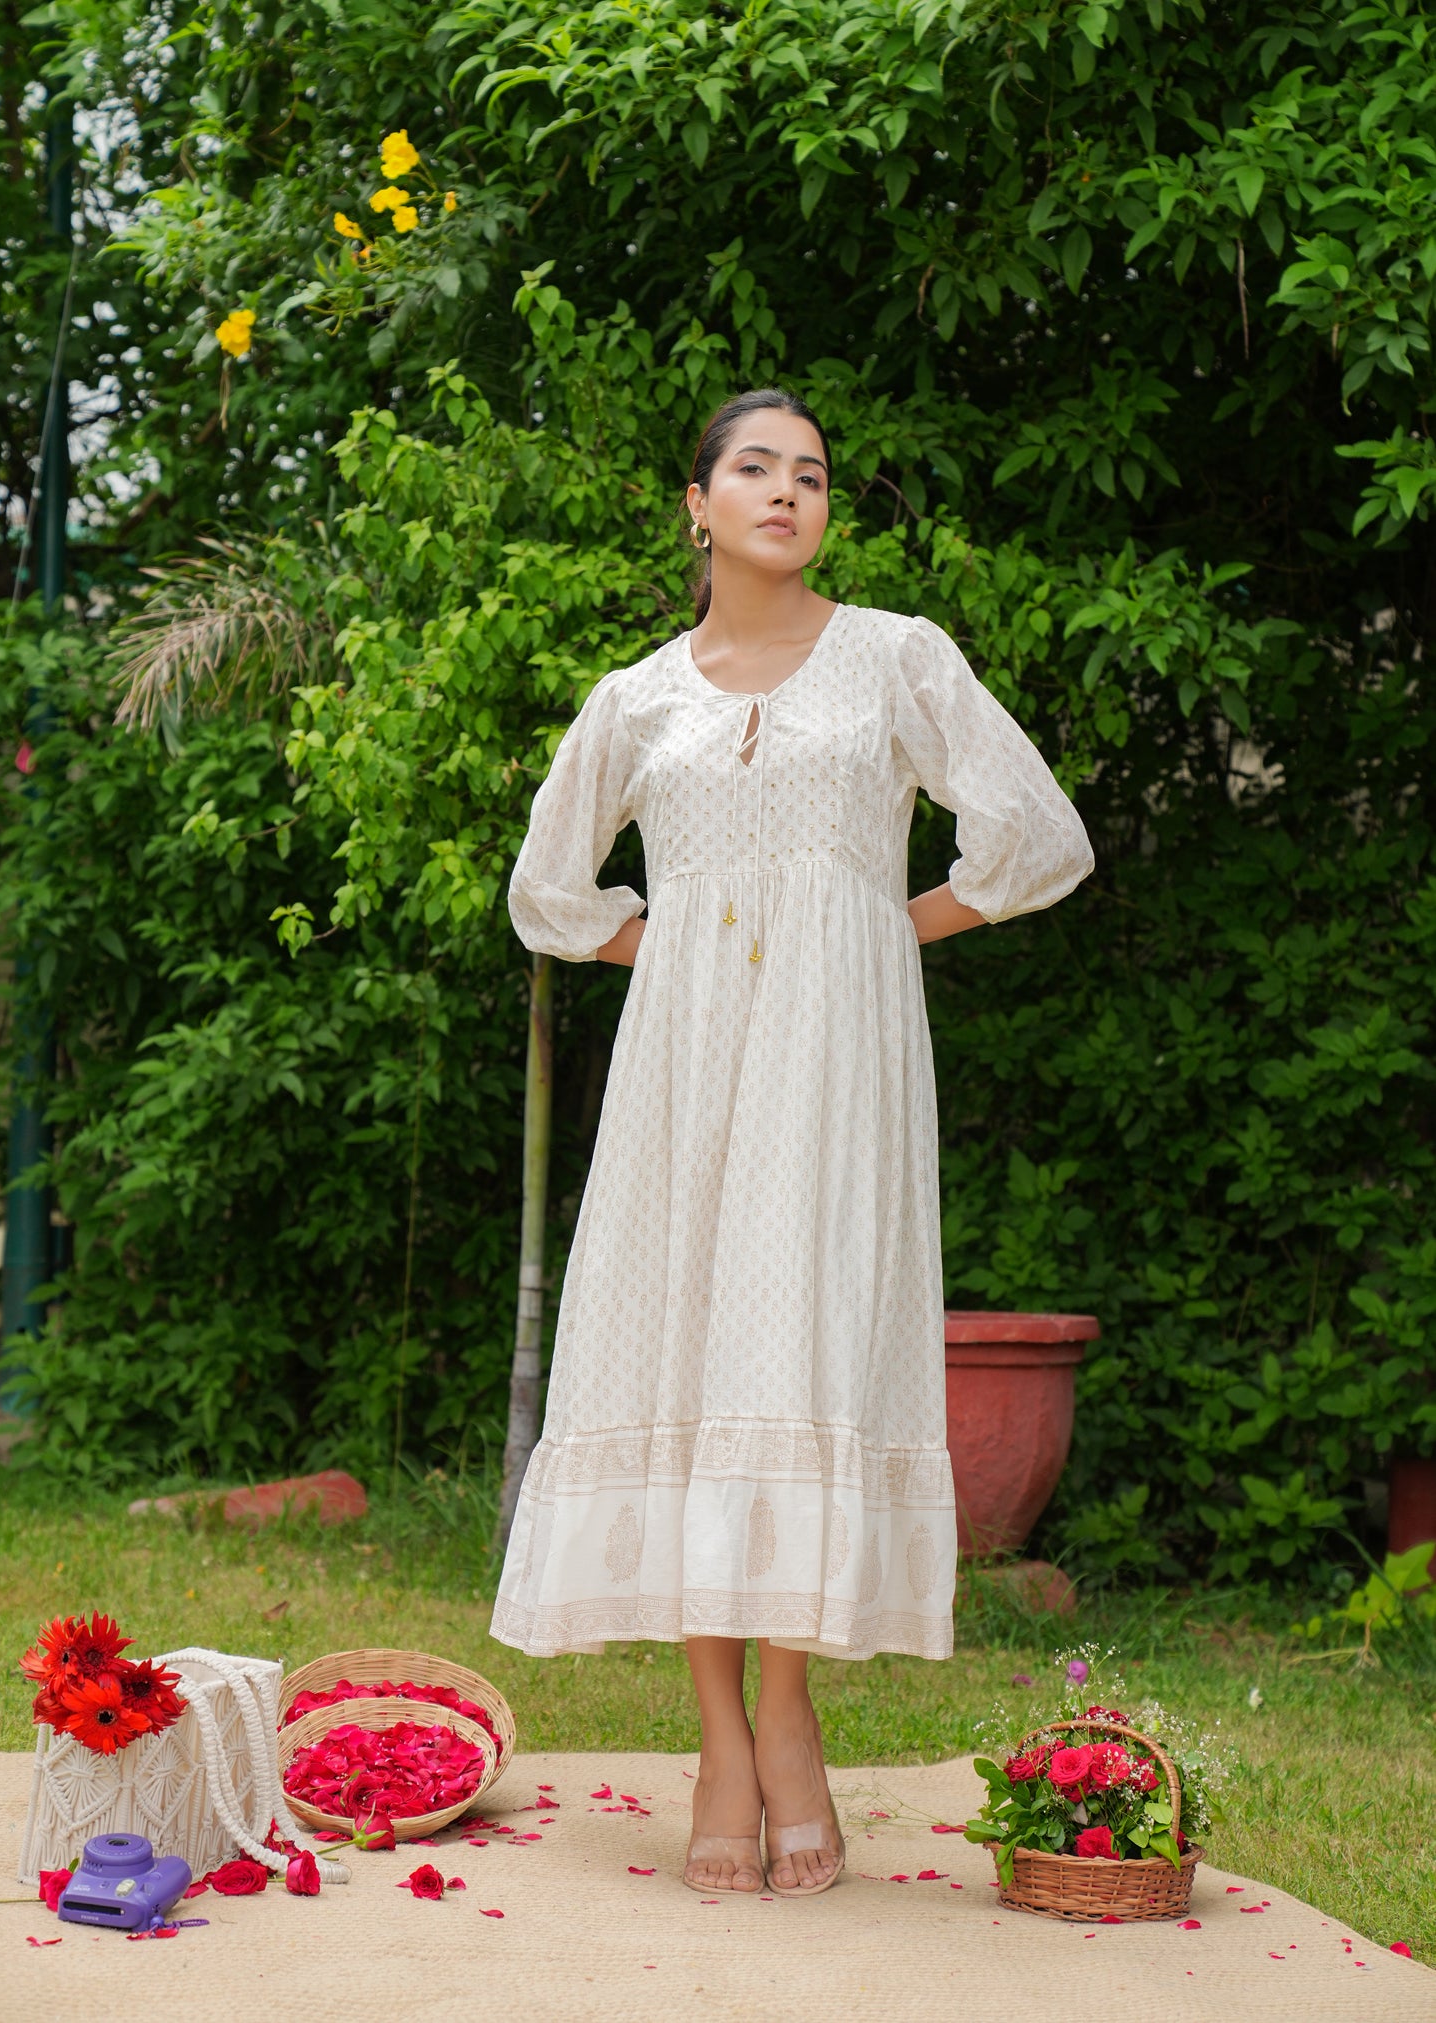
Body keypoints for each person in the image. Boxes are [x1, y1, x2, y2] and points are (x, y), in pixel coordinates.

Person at [490, 388, 1094, 1899]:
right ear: (695, 504)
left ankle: (789, 1709)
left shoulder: (896, 657)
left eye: (809, 474)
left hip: (839, 1063)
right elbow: (549, 893)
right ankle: (712, 1736)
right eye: (754, 469)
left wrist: (880, 927)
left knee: (809, 1349)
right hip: (687, 1069)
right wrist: (686, 946)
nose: (786, 491)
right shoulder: (636, 698)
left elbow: (1033, 835)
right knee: (688, 1354)